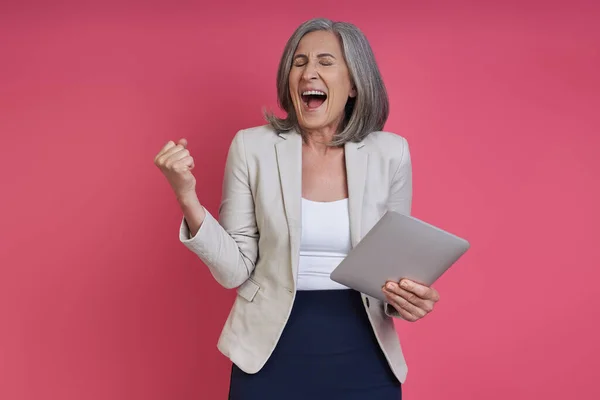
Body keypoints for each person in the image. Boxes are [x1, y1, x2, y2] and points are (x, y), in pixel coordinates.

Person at [154, 17, 440, 400]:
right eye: (299, 61)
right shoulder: (252, 147)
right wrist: (187, 197)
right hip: (268, 352)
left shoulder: (390, 153)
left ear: (354, 83)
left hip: (364, 352)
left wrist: (408, 300)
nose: (309, 72)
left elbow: (391, 273)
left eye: (325, 62)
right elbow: (233, 271)